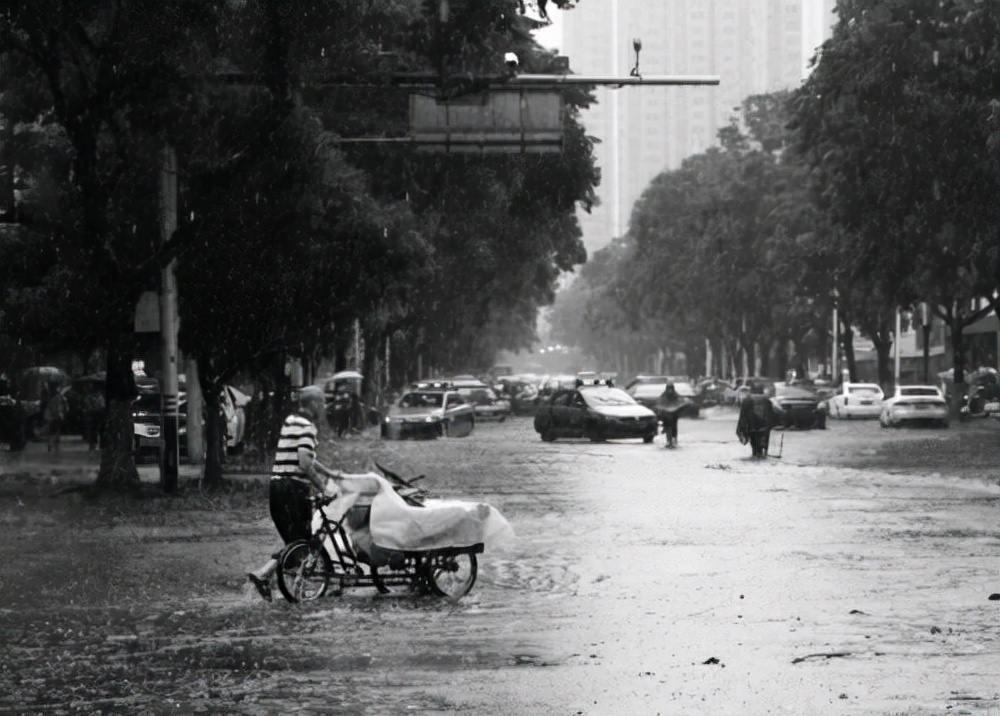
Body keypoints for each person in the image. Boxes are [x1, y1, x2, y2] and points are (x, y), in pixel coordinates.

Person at [247, 385, 341, 601]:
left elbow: (308, 457)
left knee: (295, 541)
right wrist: (324, 488)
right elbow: (305, 462)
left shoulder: (290, 422)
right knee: (302, 541)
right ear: (313, 403)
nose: (324, 407)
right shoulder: (307, 427)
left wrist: (328, 472)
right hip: (292, 490)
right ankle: (265, 574)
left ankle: (281, 582)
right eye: (322, 403)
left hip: (277, 488)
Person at [736, 384, 784, 458]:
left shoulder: (747, 399)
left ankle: (756, 455)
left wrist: (741, 429)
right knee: (764, 444)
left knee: (755, 446)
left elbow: (743, 415)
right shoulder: (767, 399)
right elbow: (773, 413)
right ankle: (763, 454)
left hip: (752, 427)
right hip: (764, 427)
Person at [655, 383, 690, 449]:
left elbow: (680, 402)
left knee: (674, 428)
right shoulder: (664, 395)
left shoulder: (675, 395)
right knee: (668, 428)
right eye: (669, 388)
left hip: (674, 415)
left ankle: (674, 440)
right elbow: (660, 403)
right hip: (666, 416)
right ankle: (669, 441)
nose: (670, 390)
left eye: (671, 388)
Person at [43, 386, 68, 453]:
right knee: (56, 431)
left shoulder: (53, 399)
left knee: (54, 431)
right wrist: (59, 414)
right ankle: (51, 443)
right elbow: (57, 409)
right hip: (54, 417)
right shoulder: (58, 399)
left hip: (50, 417)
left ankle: (53, 443)